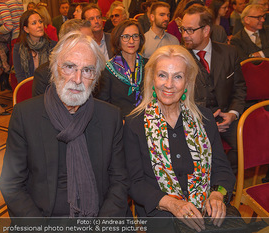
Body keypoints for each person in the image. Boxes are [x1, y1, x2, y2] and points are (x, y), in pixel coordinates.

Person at [0, 31, 129, 217]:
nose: (77, 79)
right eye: (69, 67)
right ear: (54, 69)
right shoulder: (26, 116)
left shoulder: (110, 117)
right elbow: (11, 184)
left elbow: (120, 181)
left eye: (87, 70)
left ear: (96, 77)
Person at [124, 45, 236, 232]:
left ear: (187, 81)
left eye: (177, 76)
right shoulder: (135, 123)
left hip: (206, 207)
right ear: (152, 79)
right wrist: (172, 204)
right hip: (162, 213)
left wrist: (217, 195)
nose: (169, 84)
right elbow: (134, 182)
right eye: (162, 75)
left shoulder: (205, 118)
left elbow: (222, 169)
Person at [181, 5, 246, 172]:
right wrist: (206, 123)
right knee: (192, 156)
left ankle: (222, 184)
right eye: (183, 29)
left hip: (225, 117)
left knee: (247, 149)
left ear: (206, 30)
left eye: (190, 30)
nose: (184, 35)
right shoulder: (180, 58)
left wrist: (232, 114)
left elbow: (239, 89)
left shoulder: (229, 52)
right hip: (193, 121)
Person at [96, 20, 147, 116]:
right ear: (118, 40)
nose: (131, 41)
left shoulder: (148, 65)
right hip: (121, 123)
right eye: (126, 37)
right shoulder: (108, 70)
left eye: (135, 36)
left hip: (146, 121)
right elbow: (104, 105)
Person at [32, 19, 93, 97]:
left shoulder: (95, 70)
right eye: (87, 42)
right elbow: (40, 107)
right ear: (68, 43)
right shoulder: (44, 75)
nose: (93, 46)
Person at [13, 10, 56, 83]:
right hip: (28, 88)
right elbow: (20, 76)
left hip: (49, 88)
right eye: (34, 23)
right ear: (26, 29)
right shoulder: (19, 48)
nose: (39, 25)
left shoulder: (53, 46)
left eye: (40, 22)